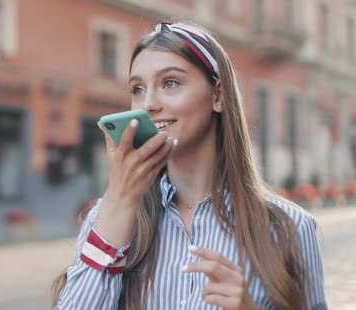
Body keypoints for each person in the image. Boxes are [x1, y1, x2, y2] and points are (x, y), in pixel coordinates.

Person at [51, 22, 326, 309]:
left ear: (218, 96)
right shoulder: (105, 218)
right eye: (138, 89)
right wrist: (119, 201)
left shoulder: (290, 227)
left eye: (170, 83)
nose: (148, 104)